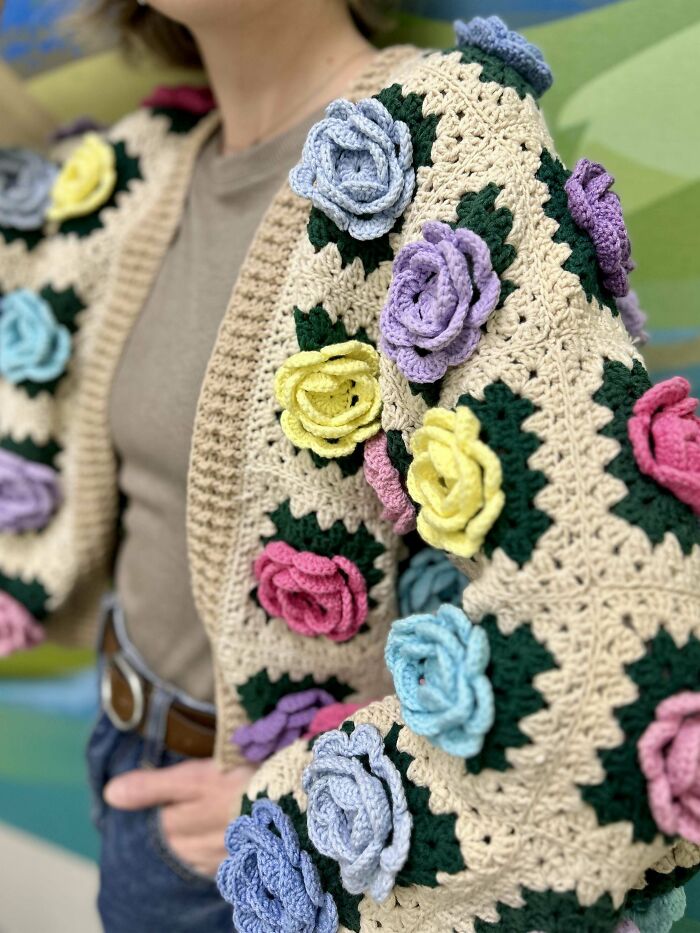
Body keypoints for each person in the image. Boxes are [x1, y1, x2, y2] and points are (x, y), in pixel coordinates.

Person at [0, 1, 698, 931]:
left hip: (303, 858)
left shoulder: (449, 140)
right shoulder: (145, 167)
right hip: (131, 774)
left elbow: (621, 637)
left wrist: (309, 823)